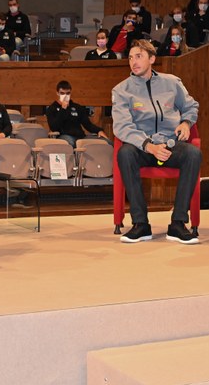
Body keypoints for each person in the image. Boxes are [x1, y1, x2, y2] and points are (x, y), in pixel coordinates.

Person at [112, 39, 201, 245]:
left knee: (193, 153)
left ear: (152, 59)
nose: (134, 61)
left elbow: (191, 106)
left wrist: (187, 123)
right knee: (124, 153)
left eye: (139, 56)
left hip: (170, 144)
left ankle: (178, 223)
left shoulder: (172, 82)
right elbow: (122, 127)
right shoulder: (121, 90)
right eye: (131, 57)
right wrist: (148, 146)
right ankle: (140, 224)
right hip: (142, 147)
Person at [46, 80, 109, 147]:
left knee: (105, 141)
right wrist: (63, 109)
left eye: (67, 93)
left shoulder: (77, 107)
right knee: (71, 142)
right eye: (62, 93)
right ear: (57, 93)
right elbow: (54, 127)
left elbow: (88, 124)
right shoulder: (52, 108)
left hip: (80, 136)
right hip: (63, 136)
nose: (65, 96)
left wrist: (99, 131)